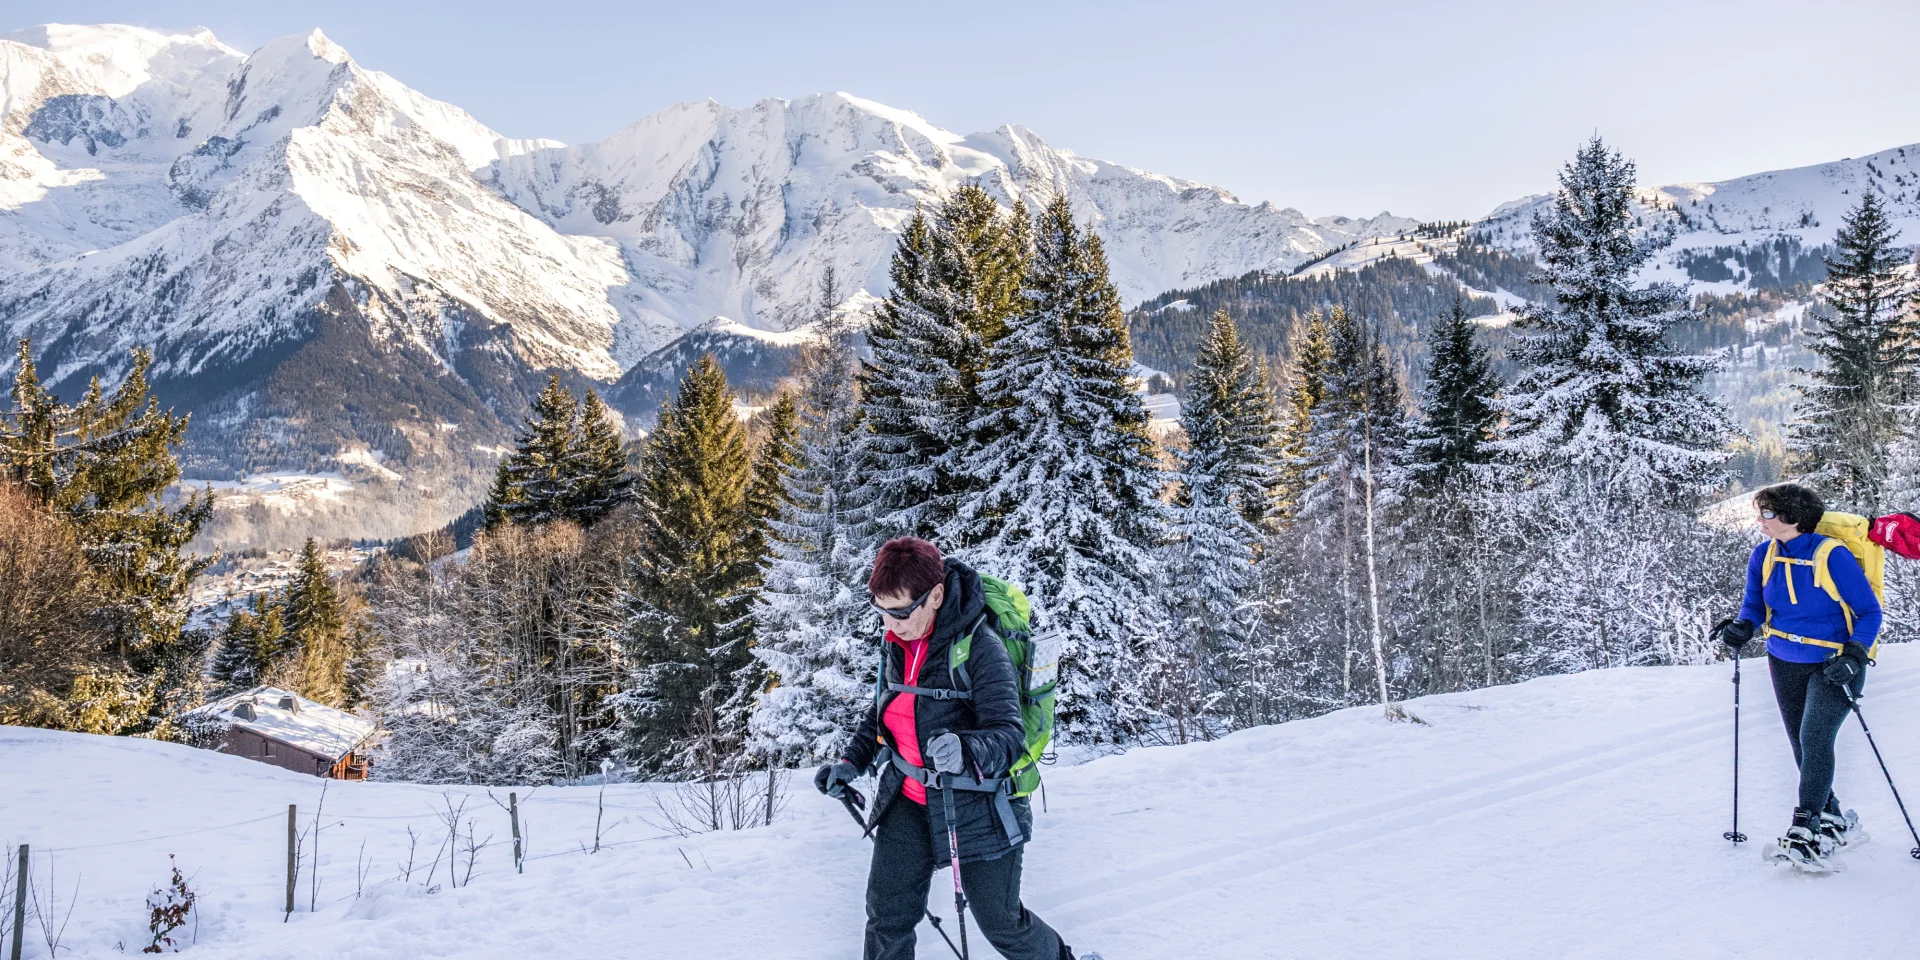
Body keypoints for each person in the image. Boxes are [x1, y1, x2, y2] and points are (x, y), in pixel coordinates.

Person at [814, 536, 1096, 960]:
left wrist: (965, 748)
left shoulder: (982, 648)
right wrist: (850, 762)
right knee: (887, 915)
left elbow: (1008, 734)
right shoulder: (897, 641)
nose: (891, 625)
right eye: (882, 613)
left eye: (901, 612)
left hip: (977, 806)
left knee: (1002, 923)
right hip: (907, 797)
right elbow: (884, 711)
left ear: (937, 596)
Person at [1713, 483, 1882, 870]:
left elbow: (1869, 613)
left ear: (1793, 517)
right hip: (1783, 658)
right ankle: (1835, 818)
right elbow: (1754, 606)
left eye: (1768, 514)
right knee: (1800, 744)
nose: (1761, 521)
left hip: (1836, 664)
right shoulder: (1764, 555)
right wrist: (1742, 627)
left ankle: (1805, 830)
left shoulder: (1832, 555)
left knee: (1814, 737)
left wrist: (1855, 655)